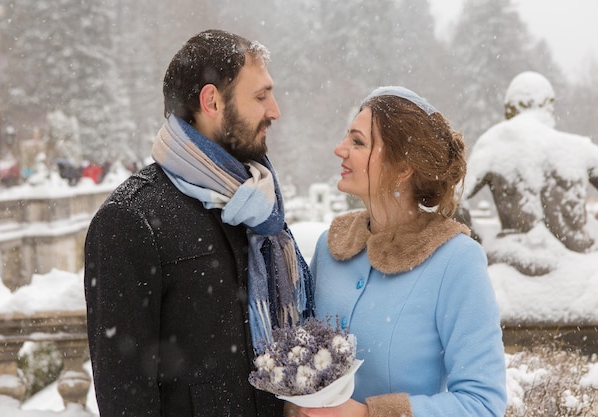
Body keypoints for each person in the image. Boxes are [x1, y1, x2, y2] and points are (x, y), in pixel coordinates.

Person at [84, 29, 313, 417]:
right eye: (260, 96)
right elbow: (126, 396)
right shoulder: (130, 219)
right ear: (212, 101)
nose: (274, 110)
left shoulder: (260, 207)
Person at [294, 87, 507, 417]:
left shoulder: (455, 260)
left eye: (358, 142)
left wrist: (368, 415)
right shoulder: (330, 246)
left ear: (404, 168)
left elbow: (482, 403)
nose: (340, 149)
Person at [464, 71, 598, 254]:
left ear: (512, 107)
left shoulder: (495, 144)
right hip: (578, 263)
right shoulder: (579, 149)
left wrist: (478, 240)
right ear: (546, 104)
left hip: (517, 260)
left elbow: (453, 197)